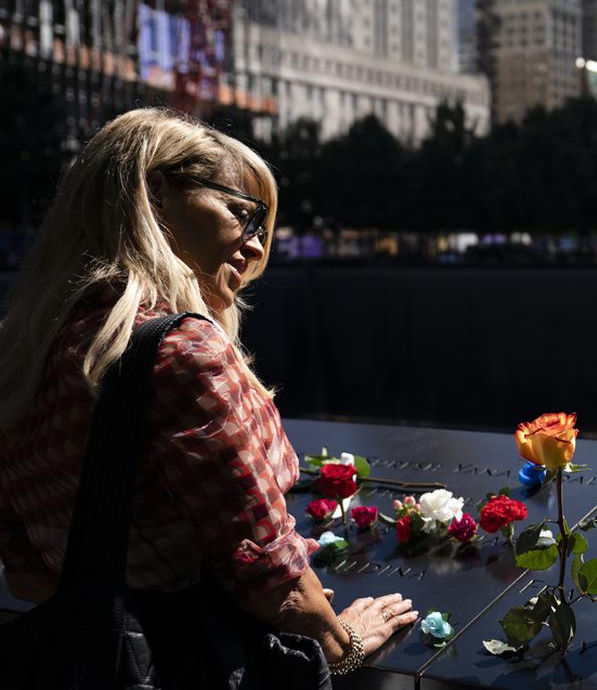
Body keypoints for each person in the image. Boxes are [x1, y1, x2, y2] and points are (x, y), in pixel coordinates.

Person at [0, 108, 415, 677]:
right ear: (156, 194)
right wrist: (346, 648)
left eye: (263, 228)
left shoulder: (21, 352)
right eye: (242, 215)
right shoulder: (181, 350)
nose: (256, 245)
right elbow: (272, 579)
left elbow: (26, 572)